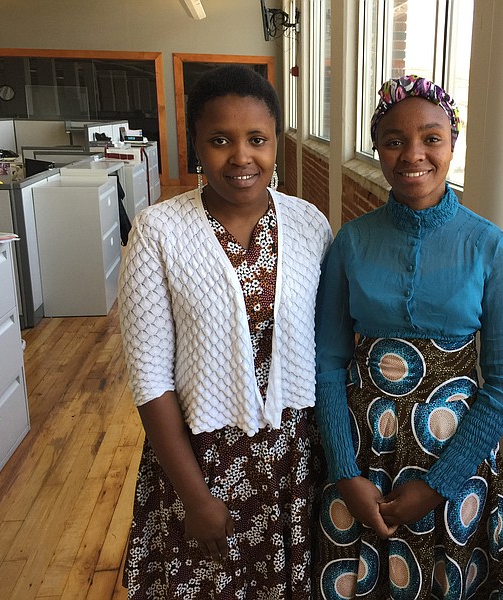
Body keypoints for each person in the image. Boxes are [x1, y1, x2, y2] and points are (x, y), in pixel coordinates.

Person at [118, 64, 332, 599]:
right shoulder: (158, 231)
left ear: (275, 144)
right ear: (195, 145)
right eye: (220, 140)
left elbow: (324, 349)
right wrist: (195, 498)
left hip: (295, 462)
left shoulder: (310, 225)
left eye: (256, 139)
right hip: (202, 463)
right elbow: (149, 378)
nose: (241, 157)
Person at [314, 75, 503, 599]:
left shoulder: (490, 247)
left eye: (432, 138)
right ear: (378, 147)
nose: (413, 154)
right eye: (393, 139)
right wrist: (344, 471)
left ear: (453, 143)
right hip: (363, 462)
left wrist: (437, 485)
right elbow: (328, 361)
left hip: (453, 466)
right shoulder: (351, 243)